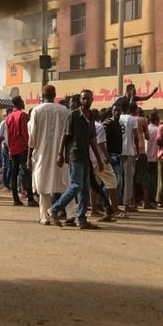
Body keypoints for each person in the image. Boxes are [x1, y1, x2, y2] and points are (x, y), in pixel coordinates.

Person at [47, 90, 107, 230]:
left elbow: (92, 139)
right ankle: (54, 209)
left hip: (85, 156)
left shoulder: (91, 117)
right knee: (76, 185)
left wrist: (99, 159)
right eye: (83, 98)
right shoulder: (73, 115)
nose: (85, 101)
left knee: (85, 189)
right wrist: (60, 154)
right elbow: (65, 135)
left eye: (88, 98)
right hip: (74, 154)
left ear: (92, 99)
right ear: (80, 100)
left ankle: (81, 219)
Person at [28, 85, 71, 225]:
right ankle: (71, 213)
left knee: (42, 183)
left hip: (42, 153)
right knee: (66, 183)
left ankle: (45, 217)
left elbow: (32, 136)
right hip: (61, 153)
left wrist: (29, 156)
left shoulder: (37, 110)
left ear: (42, 95)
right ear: (55, 95)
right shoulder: (64, 110)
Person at [6, 96, 36, 206]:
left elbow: (8, 135)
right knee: (26, 174)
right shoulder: (23, 115)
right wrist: (30, 148)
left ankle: (15, 199)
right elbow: (25, 133)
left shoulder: (9, 117)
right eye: (23, 101)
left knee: (14, 174)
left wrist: (9, 149)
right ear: (19, 103)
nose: (24, 103)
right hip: (23, 148)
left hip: (13, 148)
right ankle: (30, 199)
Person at [119, 104, 142, 212]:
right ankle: (127, 204)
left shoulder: (117, 118)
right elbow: (136, 137)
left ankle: (113, 201)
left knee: (116, 179)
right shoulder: (132, 119)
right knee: (128, 179)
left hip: (117, 151)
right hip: (128, 151)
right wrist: (137, 150)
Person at [103, 105, 126, 206]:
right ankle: (105, 203)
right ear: (112, 112)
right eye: (115, 110)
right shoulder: (108, 123)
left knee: (117, 181)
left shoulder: (118, 124)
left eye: (118, 110)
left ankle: (112, 203)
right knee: (111, 181)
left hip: (118, 156)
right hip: (110, 156)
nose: (117, 112)